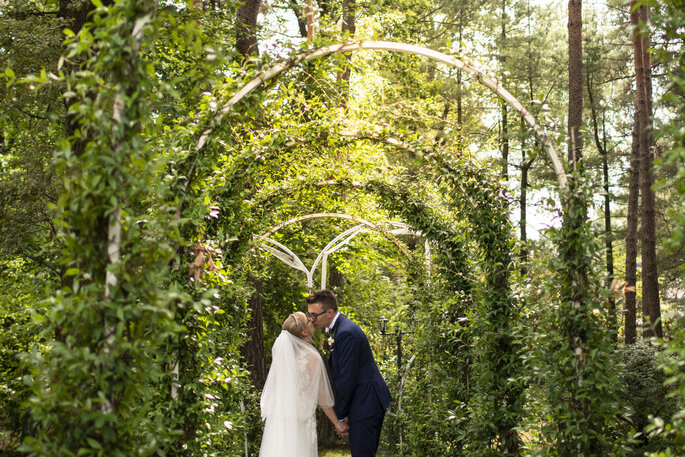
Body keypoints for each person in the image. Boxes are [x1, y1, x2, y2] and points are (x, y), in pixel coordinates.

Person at [306, 289, 392, 457]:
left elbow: (347, 379)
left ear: (329, 312)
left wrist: (341, 416)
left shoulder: (346, 333)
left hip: (366, 401)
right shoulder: (341, 329)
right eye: (309, 314)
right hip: (363, 401)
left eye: (315, 315)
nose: (311, 319)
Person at [259, 311, 348, 457]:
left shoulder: (284, 356)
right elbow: (322, 397)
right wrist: (337, 423)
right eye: (308, 320)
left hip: (281, 421)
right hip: (301, 422)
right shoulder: (312, 357)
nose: (311, 320)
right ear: (304, 332)